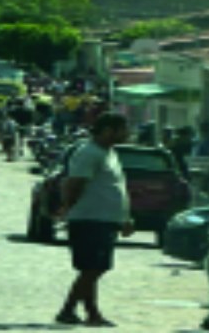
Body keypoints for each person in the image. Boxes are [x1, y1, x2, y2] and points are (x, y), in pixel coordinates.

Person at [55, 112, 135, 327]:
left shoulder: (110, 153)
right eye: (123, 130)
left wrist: (125, 218)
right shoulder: (88, 153)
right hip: (89, 218)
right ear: (108, 130)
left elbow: (115, 188)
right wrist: (67, 208)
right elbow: (75, 183)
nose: (127, 134)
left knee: (93, 267)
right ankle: (68, 309)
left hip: (105, 219)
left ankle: (91, 313)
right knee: (94, 268)